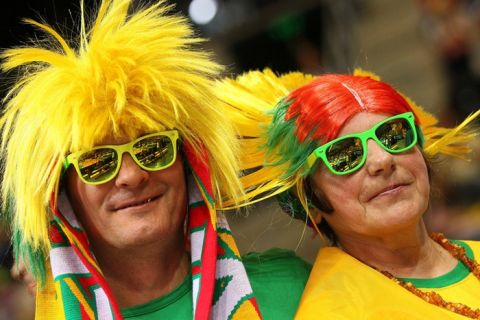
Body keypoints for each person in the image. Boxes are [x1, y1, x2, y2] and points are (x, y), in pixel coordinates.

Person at [0, 1, 310, 319]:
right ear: (60, 194)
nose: (133, 175)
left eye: (154, 149)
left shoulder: (294, 287)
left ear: (188, 162)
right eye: (97, 163)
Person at [217, 68, 480, 319]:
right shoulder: (334, 312)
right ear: (311, 203)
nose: (383, 160)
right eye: (344, 155)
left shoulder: (472, 255)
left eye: (393, 134)